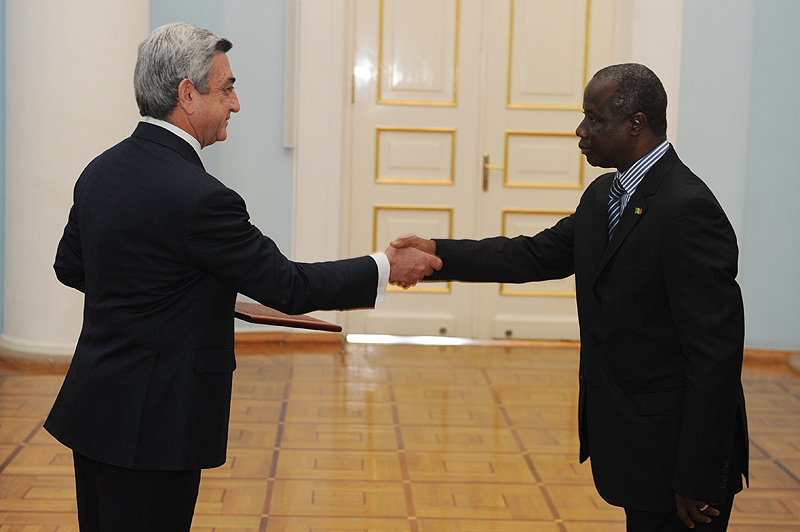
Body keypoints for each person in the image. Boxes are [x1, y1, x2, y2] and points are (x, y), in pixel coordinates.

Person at [46, 22, 440, 532]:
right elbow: (288, 286)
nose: (236, 103)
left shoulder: (99, 171)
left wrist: (172, 294)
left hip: (97, 409)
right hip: (158, 424)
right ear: (187, 95)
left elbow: (72, 266)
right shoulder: (202, 198)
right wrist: (385, 266)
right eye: (226, 88)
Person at [392, 63, 747, 531]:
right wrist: (436, 254)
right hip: (636, 445)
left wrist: (699, 474)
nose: (581, 131)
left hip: (681, 456)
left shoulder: (688, 209)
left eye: (594, 119)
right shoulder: (604, 196)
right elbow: (532, 255)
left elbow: (715, 356)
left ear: (636, 124)